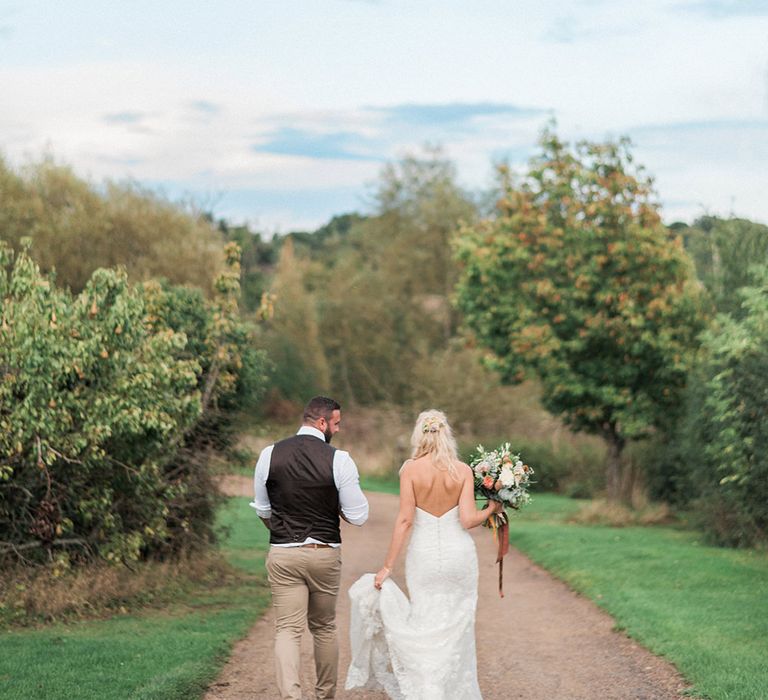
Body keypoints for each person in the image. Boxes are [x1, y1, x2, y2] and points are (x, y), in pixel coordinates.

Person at [345, 409, 502, 699]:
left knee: (424, 620)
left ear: (420, 435)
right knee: (458, 625)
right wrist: (492, 509)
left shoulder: (410, 470)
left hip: (425, 556)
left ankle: (428, 690)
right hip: (459, 557)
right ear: (446, 435)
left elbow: (405, 520)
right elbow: (468, 520)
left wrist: (387, 566)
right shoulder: (463, 470)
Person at [251, 396, 369, 700]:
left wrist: (284, 532)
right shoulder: (339, 459)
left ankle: (291, 697)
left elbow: (263, 510)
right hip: (323, 553)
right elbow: (358, 516)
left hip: (283, 553)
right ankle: (324, 695)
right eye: (336, 423)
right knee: (324, 628)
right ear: (322, 422)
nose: (338, 430)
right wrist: (337, 506)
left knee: (288, 630)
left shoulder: (269, 454)